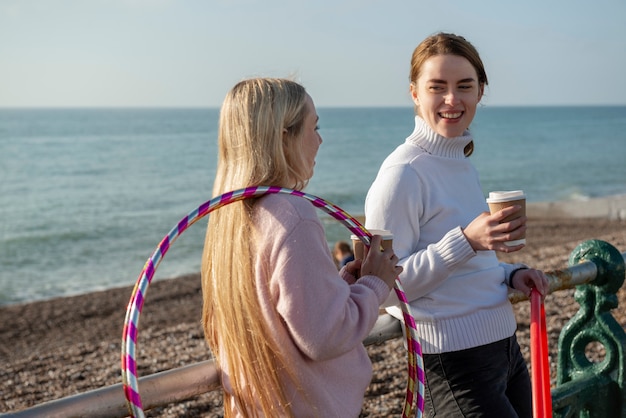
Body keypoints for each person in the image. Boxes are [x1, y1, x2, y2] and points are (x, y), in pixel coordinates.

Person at [364, 33, 550, 418]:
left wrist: (510, 274)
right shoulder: (402, 173)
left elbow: (465, 267)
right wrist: (466, 240)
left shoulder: (461, 161)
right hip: (451, 364)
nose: (452, 99)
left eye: (464, 86)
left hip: (505, 349)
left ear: (481, 91)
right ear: (414, 93)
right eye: (438, 87)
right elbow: (384, 289)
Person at [201, 77, 402, 418]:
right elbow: (325, 335)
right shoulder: (293, 214)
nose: (320, 140)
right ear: (284, 137)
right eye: (314, 127)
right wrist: (375, 284)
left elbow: (285, 313)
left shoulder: (228, 220)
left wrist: (343, 287)